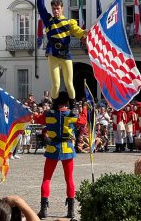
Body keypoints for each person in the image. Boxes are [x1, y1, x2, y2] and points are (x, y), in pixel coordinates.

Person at [37, 0, 88, 111]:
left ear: (62, 8)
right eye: (54, 8)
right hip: (53, 55)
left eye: (58, 8)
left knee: (69, 84)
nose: (55, 11)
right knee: (56, 85)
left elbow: (78, 32)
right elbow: (40, 7)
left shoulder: (69, 22)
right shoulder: (48, 20)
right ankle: (54, 105)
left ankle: (72, 106)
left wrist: (86, 32)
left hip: (66, 55)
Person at [33, 91, 86, 219]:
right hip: (67, 148)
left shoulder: (48, 114)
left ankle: (43, 210)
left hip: (52, 148)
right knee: (69, 180)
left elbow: (37, 118)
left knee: (47, 179)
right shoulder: (72, 114)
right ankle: (71, 211)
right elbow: (83, 120)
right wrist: (84, 107)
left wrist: (33, 113)